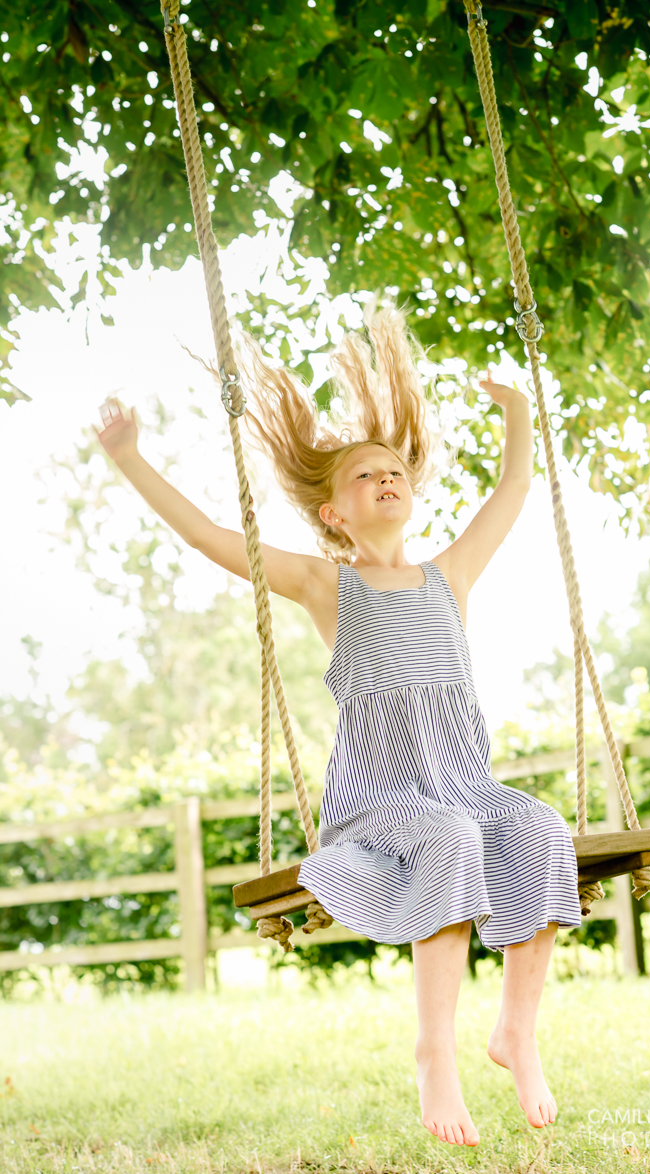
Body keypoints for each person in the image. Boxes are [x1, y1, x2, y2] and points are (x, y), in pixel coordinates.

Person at [95, 300, 583, 1148]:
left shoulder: (448, 577)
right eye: (363, 476)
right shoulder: (328, 586)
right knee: (455, 840)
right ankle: (436, 1051)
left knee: (538, 827)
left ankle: (516, 1032)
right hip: (382, 797)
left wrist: (517, 411)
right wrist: (132, 460)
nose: (384, 479)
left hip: (462, 780)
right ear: (334, 515)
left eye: (394, 470)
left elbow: (514, 490)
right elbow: (215, 538)